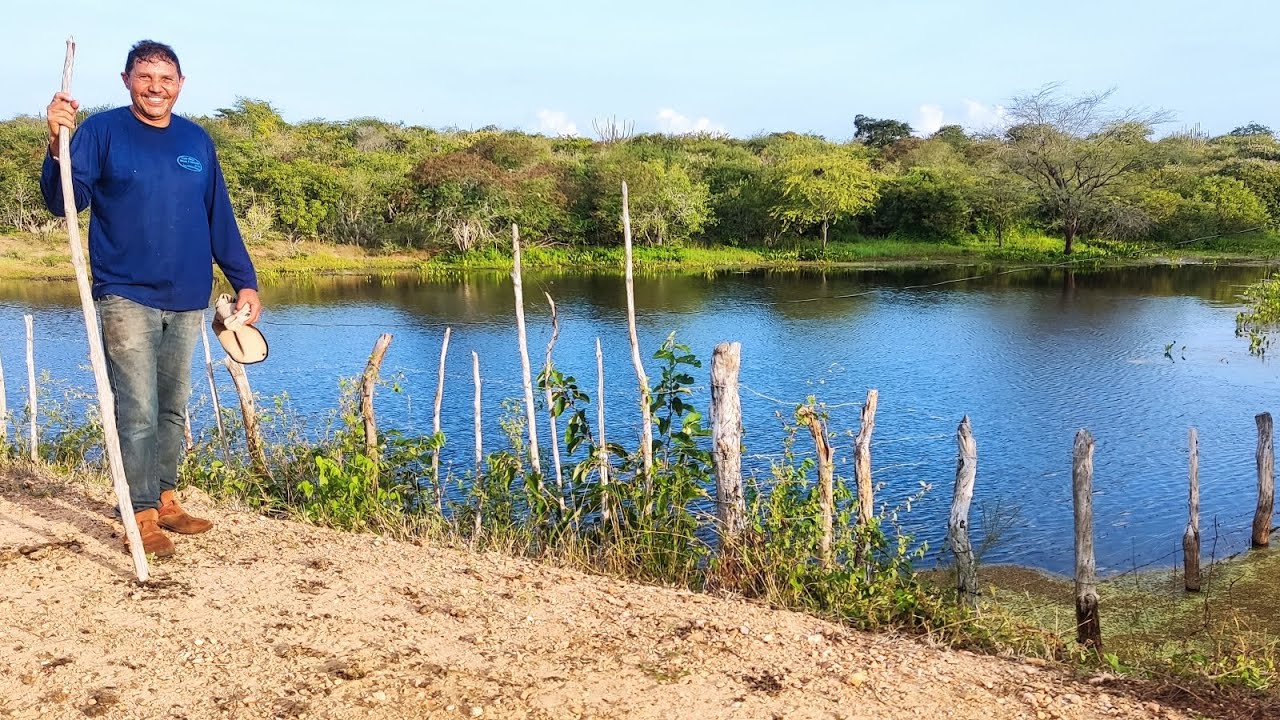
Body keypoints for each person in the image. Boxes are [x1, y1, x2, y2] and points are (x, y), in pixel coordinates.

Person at [41, 40, 262, 558]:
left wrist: (244, 280)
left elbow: (219, 218)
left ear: (180, 84)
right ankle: (137, 513)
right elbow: (62, 200)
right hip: (125, 294)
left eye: (165, 78)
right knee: (136, 406)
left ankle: (164, 498)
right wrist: (56, 143)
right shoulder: (100, 131)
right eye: (145, 77)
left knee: (172, 407)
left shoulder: (196, 141)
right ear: (126, 80)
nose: (155, 87)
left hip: (188, 296)